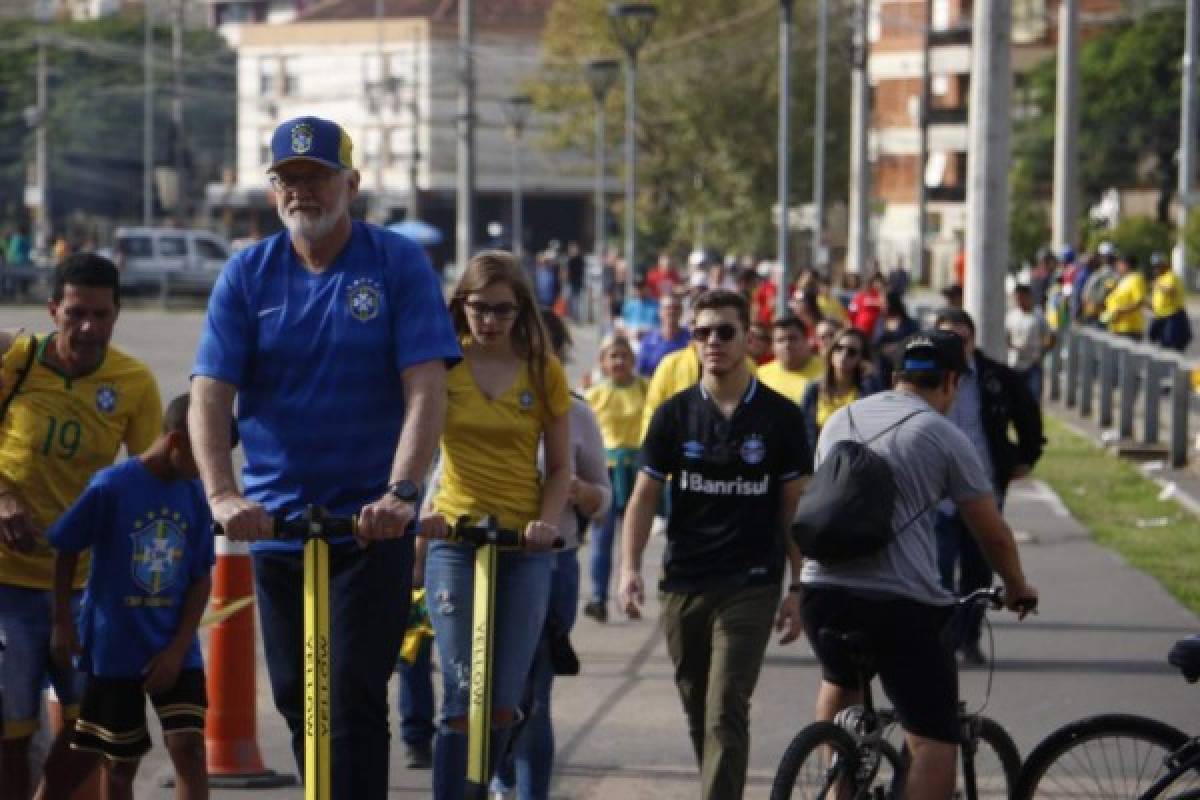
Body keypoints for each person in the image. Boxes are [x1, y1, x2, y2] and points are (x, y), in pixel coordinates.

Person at [189, 116, 460, 799]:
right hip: (277, 525)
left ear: (351, 183)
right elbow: (210, 395)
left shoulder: (396, 262)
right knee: (295, 699)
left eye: (317, 178)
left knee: (351, 700)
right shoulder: (248, 274)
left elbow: (426, 384)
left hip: (369, 525)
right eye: (289, 180)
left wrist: (402, 492)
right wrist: (224, 495)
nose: (302, 192)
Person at [801, 330, 1039, 800]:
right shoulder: (943, 435)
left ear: (895, 378)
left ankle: (835, 788)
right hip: (898, 603)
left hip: (820, 593)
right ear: (951, 382)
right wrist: (1016, 586)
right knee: (934, 736)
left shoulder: (840, 419)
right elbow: (991, 532)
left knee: (840, 680)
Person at [620, 289, 811, 800]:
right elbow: (642, 498)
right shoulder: (673, 415)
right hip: (684, 579)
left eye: (724, 331)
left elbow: (794, 506)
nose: (713, 342)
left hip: (751, 581)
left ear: (748, 338)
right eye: (701, 333)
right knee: (699, 707)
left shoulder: (781, 417)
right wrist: (629, 568)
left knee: (726, 707)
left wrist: (799, 585)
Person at [0, 253, 162, 800]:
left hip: (83, 590)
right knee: (10, 735)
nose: (88, 327)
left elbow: (152, 476)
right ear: (53, 310)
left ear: (117, 315)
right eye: (75, 314)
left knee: (91, 728)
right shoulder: (16, 364)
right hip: (7, 584)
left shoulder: (133, 383)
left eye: (100, 315)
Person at [416, 250, 569, 799]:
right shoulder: (442, 364)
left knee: (503, 701)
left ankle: (480, 786)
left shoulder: (541, 370)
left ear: (521, 310)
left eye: (504, 310)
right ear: (462, 305)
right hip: (454, 539)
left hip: (522, 545)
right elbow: (416, 445)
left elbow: (560, 469)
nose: (491, 321)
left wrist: (547, 525)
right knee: (460, 697)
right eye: (480, 307)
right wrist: (421, 512)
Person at [38, 394, 215, 800]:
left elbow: (200, 576)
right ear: (176, 443)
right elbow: (66, 549)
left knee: (189, 747)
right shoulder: (111, 486)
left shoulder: (194, 493)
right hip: (116, 647)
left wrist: (177, 650)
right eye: (203, 453)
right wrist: (62, 623)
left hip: (175, 644)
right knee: (119, 765)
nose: (208, 466)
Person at [490, 309, 610, 800]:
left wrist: (576, 490)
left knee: (533, 696)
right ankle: (498, 774)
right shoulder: (482, 403)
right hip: (485, 562)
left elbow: (604, 502)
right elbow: (440, 485)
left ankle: (527, 791)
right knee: (491, 694)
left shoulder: (577, 412)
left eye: (541, 347)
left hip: (553, 563)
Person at [934, 308, 1043, 664]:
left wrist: (1025, 456)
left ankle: (969, 637)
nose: (955, 346)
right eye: (946, 339)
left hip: (982, 489)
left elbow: (1028, 415)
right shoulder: (927, 378)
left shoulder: (995, 376)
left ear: (973, 339)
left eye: (961, 339)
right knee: (939, 570)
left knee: (978, 570)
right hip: (936, 495)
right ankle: (943, 641)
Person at [584, 333, 647, 622]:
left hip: (638, 470)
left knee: (634, 539)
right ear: (603, 363)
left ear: (633, 360)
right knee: (602, 537)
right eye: (613, 356)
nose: (619, 361)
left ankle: (633, 596)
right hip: (605, 471)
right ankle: (598, 597)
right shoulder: (593, 394)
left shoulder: (646, 388)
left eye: (624, 356)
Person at [800, 327, 881, 447]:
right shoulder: (814, 389)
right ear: (831, 350)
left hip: (856, 459)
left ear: (861, 358)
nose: (843, 355)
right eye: (839, 348)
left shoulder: (867, 389)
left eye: (852, 352)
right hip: (819, 459)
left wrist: (870, 376)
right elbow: (804, 431)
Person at [756, 316, 823, 404]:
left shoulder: (827, 370)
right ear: (772, 346)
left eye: (793, 338)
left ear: (807, 341)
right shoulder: (760, 376)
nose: (787, 345)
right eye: (780, 340)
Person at [1005, 283, 1054, 401]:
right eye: (1017, 298)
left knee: (1033, 399)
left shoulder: (1038, 315)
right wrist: (1011, 347)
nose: (1019, 301)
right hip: (1015, 364)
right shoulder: (1011, 316)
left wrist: (1043, 351)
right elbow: (1005, 337)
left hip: (1033, 364)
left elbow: (1051, 336)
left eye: (1022, 297)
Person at [635, 291, 689, 378]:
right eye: (667, 308)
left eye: (676, 308)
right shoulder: (648, 341)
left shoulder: (690, 339)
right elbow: (641, 373)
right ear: (660, 312)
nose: (671, 311)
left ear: (681, 311)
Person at [873, 292, 919, 388]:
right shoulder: (880, 321)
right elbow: (875, 343)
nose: (881, 305)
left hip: (903, 368)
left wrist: (899, 348)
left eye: (884, 302)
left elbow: (917, 344)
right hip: (883, 368)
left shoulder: (910, 324)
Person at [1148, 251, 1192, 352]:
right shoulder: (1160, 278)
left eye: (1158, 266)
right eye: (1154, 266)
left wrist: (1159, 285)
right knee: (1159, 341)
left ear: (1164, 264)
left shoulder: (1170, 276)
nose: (1156, 268)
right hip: (1160, 315)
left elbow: (1171, 291)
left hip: (1172, 315)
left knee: (1172, 344)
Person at [1102, 253, 1148, 340]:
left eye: (1119, 264)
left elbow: (1139, 302)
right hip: (1117, 328)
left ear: (1126, 264)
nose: (1117, 266)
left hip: (1129, 330)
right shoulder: (1123, 279)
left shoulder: (1136, 279)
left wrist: (1120, 311)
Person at [564, 242, 586, 321]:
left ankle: (575, 317)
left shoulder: (579, 260)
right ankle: (570, 316)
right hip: (570, 283)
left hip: (577, 283)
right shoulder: (569, 260)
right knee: (569, 300)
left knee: (576, 301)